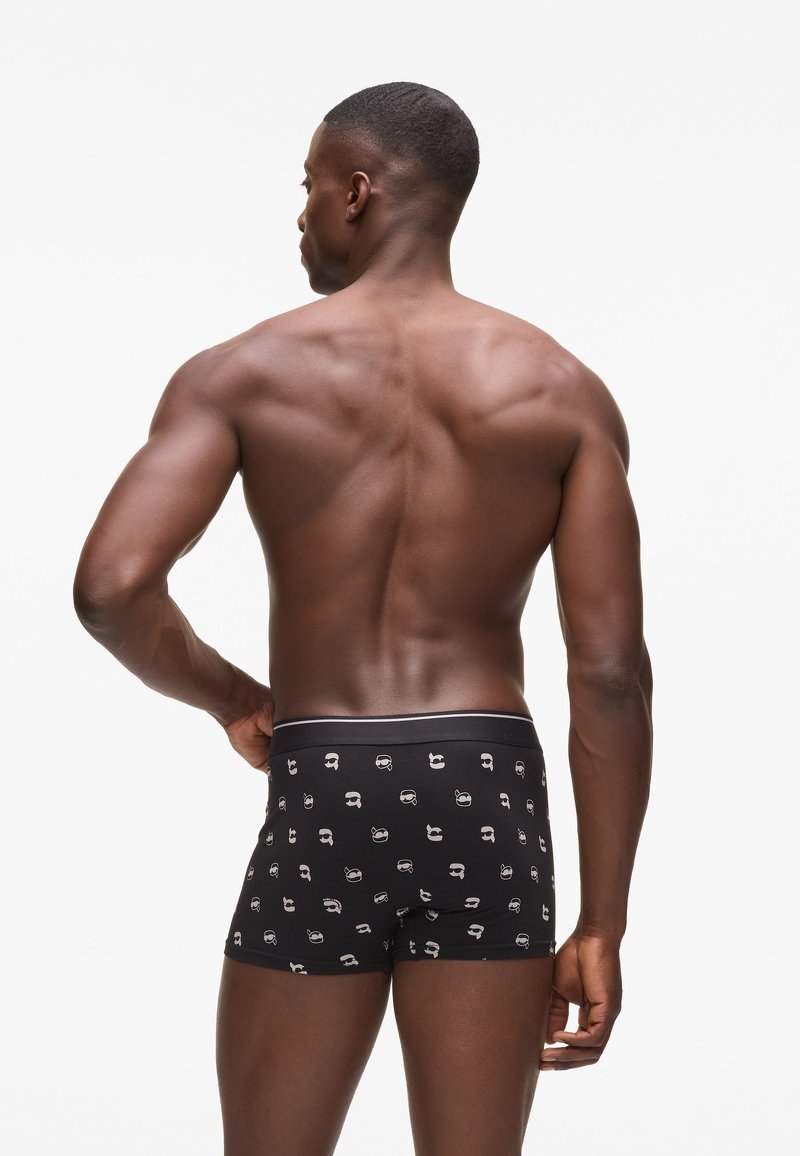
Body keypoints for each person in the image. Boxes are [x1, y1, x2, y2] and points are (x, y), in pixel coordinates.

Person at [73, 80, 653, 1156]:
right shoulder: (564, 391)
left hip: (327, 779)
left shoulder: (242, 374)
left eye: (305, 186)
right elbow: (610, 672)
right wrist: (602, 921)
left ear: (355, 192)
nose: (298, 213)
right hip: (484, 790)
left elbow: (111, 589)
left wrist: (233, 698)